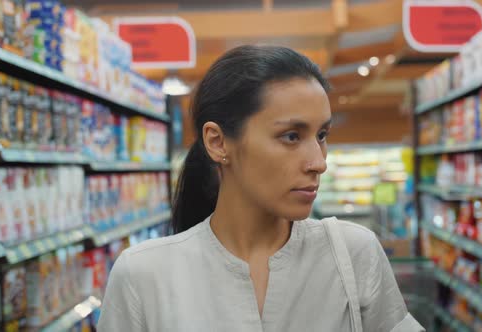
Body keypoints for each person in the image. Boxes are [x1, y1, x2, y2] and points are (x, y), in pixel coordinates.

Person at [97, 45, 424, 332]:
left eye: (322, 135)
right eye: (291, 136)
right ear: (218, 141)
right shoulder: (143, 275)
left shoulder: (354, 254)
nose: (318, 162)